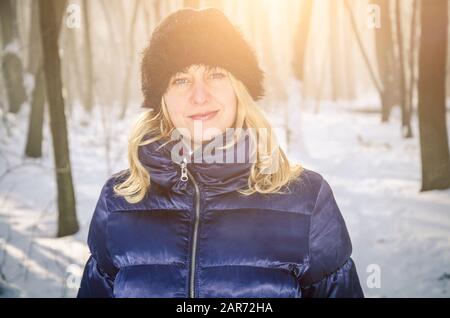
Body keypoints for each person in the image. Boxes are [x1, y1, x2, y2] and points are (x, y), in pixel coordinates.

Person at [77, 7, 364, 298]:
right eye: (180, 79)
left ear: (240, 90)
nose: (199, 95)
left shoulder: (306, 199)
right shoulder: (118, 201)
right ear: (161, 98)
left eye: (215, 74)